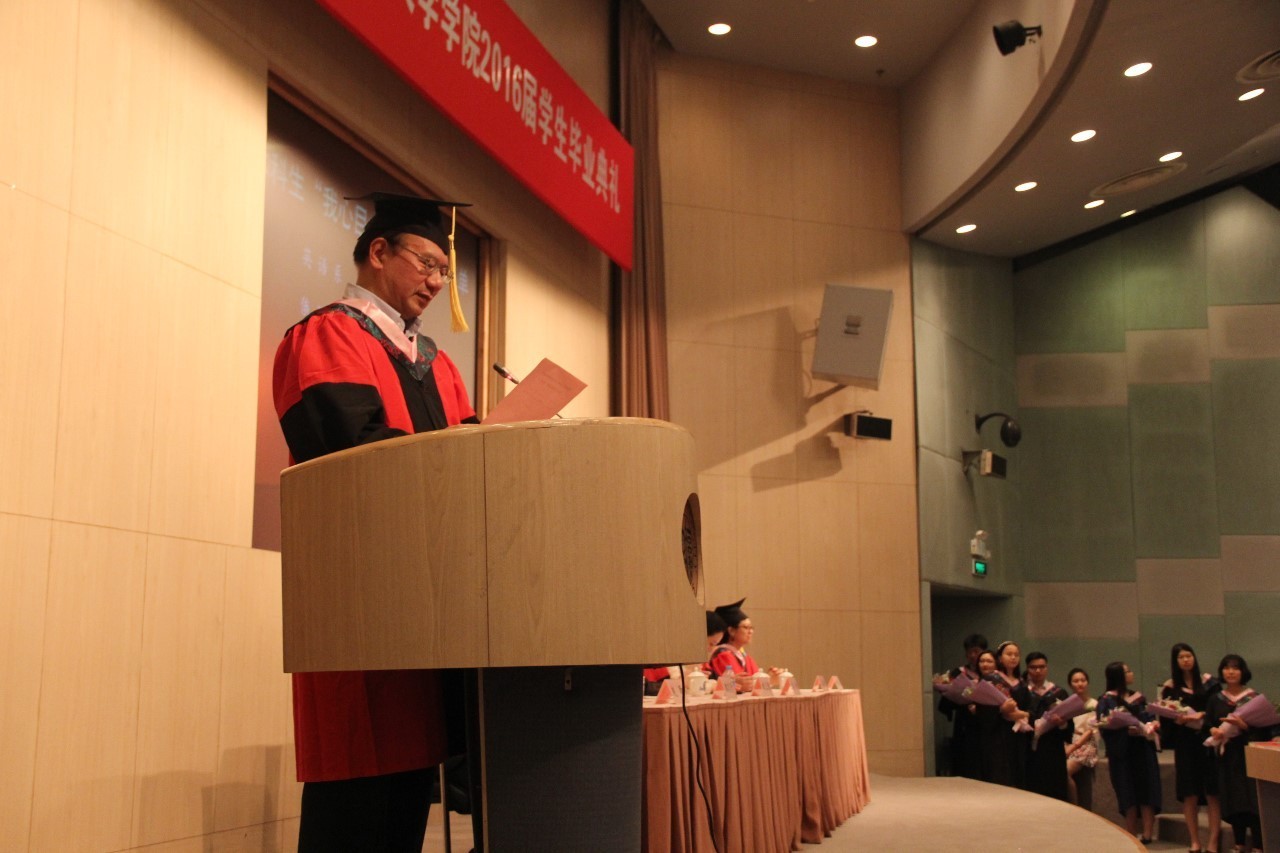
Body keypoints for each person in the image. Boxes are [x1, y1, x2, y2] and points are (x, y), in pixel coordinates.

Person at [273, 192, 479, 852]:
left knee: (405, 802)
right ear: (379, 252)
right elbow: (349, 454)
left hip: (427, 614)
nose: (437, 281)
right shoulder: (327, 335)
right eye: (426, 263)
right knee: (356, 800)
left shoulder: (439, 364)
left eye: (444, 271)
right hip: (359, 606)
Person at [1207, 653, 1271, 853]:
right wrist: (1213, 730)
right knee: (1234, 799)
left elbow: (1266, 729)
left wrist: (1244, 726)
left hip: (1249, 754)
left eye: (1235, 668)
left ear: (1243, 671)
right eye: (1226, 668)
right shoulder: (1215, 699)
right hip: (1228, 756)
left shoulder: (1254, 698)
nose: (1231, 672)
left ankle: (1259, 845)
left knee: (1253, 799)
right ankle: (1239, 843)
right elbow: (1208, 723)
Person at [1162, 643, 1221, 853]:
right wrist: (1176, 720)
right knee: (1190, 793)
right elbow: (1165, 719)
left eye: (1189, 655)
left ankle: (1213, 841)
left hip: (1207, 741)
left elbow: (1218, 708)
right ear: (1175, 662)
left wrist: (1203, 715)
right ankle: (1195, 841)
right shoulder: (1170, 688)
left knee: (1212, 791)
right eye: (1181, 657)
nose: (1186, 660)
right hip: (1185, 743)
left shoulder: (1209, 683)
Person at [1097, 660, 1162, 844]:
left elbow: (1148, 717)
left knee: (1147, 790)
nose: (1131, 674)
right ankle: (1131, 834)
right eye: (1127, 671)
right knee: (1128, 793)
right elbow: (1103, 726)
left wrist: (1152, 724)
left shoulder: (1138, 697)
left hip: (1143, 749)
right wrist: (1124, 731)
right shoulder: (1106, 700)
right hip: (1122, 753)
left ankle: (1148, 834)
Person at [971, 648, 1028, 788]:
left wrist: (1023, 714)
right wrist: (1001, 710)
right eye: (1009, 654)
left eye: (1016, 654)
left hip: (1018, 735)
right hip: (997, 735)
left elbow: (1029, 708)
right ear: (1000, 658)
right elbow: (982, 709)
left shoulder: (1022, 683)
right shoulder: (991, 679)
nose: (1013, 657)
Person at [1023, 652, 1071, 801]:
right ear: (1027, 669)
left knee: (1056, 794)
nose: (1038, 671)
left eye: (1042, 667)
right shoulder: (1022, 692)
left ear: (1047, 668)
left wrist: (1062, 723)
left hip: (1053, 749)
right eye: (1033, 667)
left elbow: (1069, 726)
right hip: (1029, 750)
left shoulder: (1059, 692)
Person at [938, 633, 987, 779]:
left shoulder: (991, 673)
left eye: (976, 651)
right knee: (964, 760)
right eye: (969, 652)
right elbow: (947, 701)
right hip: (964, 723)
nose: (973, 655)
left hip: (985, 723)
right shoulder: (958, 673)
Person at [643, 610, 727, 694]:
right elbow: (647, 688)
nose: (711, 649)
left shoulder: (700, 661)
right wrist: (684, 683)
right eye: (711, 644)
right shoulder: (660, 656)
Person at [707, 598, 780, 690]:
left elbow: (752, 681)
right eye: (746, 627)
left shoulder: (744, 656)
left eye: (751, 627)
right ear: (731, 631)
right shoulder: (723, 655)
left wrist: (769, 679)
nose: (750, 631)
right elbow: (742, 684)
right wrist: (767, 681)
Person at [1064, 667, 1099, 810]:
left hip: (1086, 744)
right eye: (1076, 681)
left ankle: (1076, 807)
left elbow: (1090, 730)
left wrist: (1073, 747)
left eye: (1083, 680)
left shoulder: (1093, 704)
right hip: (1070, 741)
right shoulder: (1067, 704)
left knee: (1064, 771)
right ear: (1070, 684)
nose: (1080, 684)